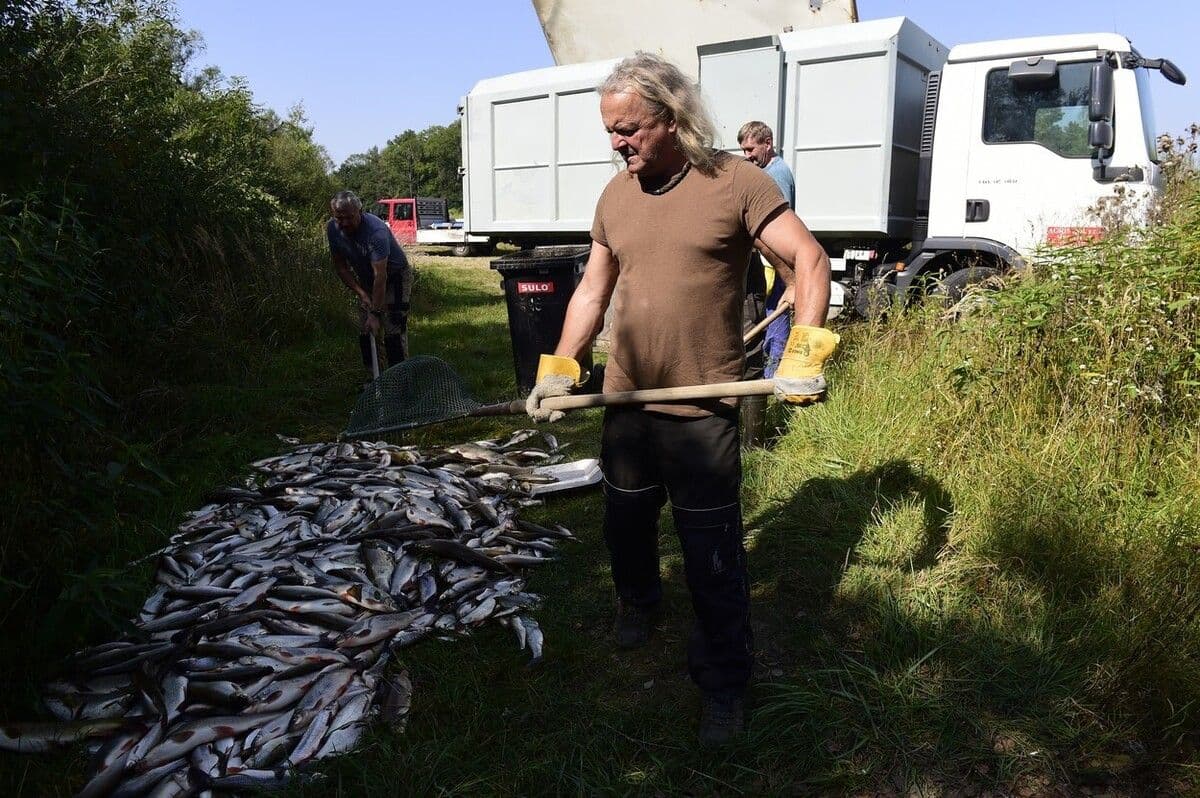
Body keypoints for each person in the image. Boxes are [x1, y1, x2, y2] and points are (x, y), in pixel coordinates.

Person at [525, 53, 837, 746]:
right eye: (610, 130)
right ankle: (638, 601)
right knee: (626, 526)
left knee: (712, 555)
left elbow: (809, 260)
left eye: (628, 129)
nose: (617, 142)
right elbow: (592, 290)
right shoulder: (615, 197)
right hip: (626, 401)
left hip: (702, 411)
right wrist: (561, 366)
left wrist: (805, 354)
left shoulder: (737, 182)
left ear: (671, 118)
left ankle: (723, 683)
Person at [326, 190, 413, 381]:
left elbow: (380, 276)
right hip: (367, 280)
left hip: (395, 277)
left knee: (393, 328)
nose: (344, 223)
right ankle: (376, 381)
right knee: (367, 331)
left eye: (349, 217)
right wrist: (362, 294)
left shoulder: (375, 232)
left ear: (360, 212)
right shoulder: (332, 229)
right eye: (339, 218)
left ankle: (400, 382)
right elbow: (341, 267)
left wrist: (375, 313)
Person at [739, 120, 797, 380]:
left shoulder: (776, 174)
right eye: (743, 150)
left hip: (775, 259)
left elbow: (778, 223)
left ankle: (773, 374)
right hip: (769, 258)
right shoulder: (769, 171)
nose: (747, 156)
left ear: (768, 144)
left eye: (751, 149)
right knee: (771, 314)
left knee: (776, 317)